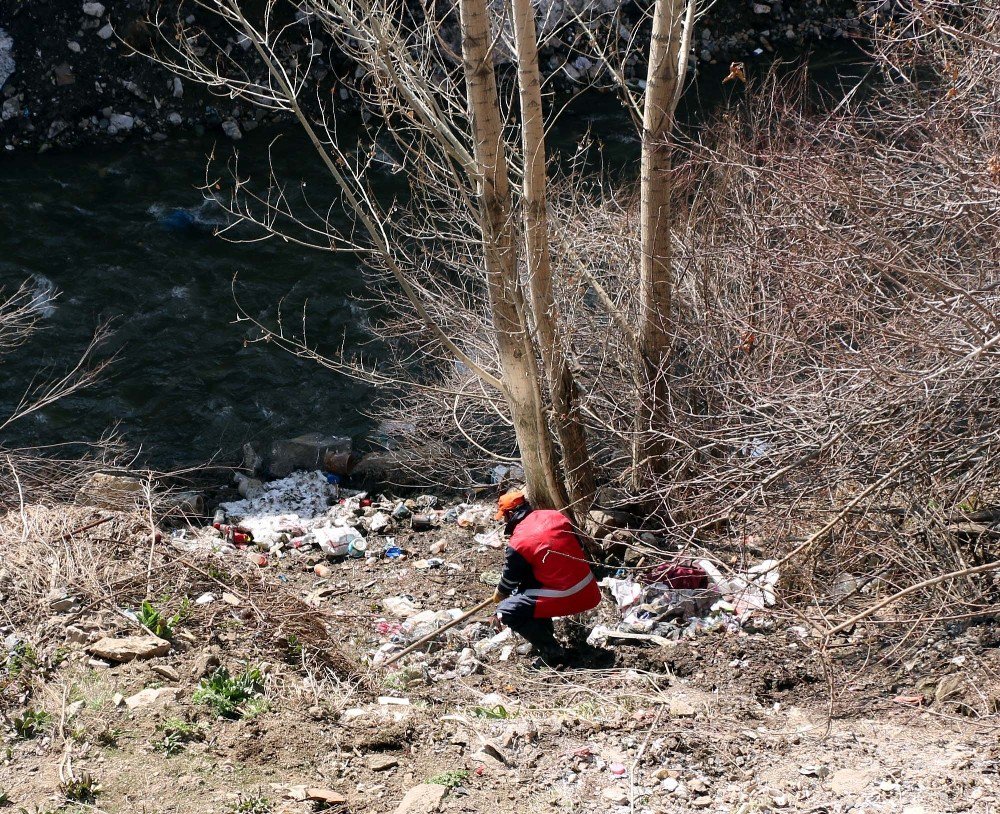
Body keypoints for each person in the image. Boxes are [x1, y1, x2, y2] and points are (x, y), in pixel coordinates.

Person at [491, 488, 601, 665]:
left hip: (570, 595)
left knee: (507, 611)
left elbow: (510, 579)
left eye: (504, 517)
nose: (504, 521)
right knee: (527, 587)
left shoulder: (518, 542)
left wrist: (500, 592)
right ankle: (544, 639)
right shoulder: (555, 516)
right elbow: (580, 546)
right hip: (589, 588)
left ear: (511, 514)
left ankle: (552, 651)